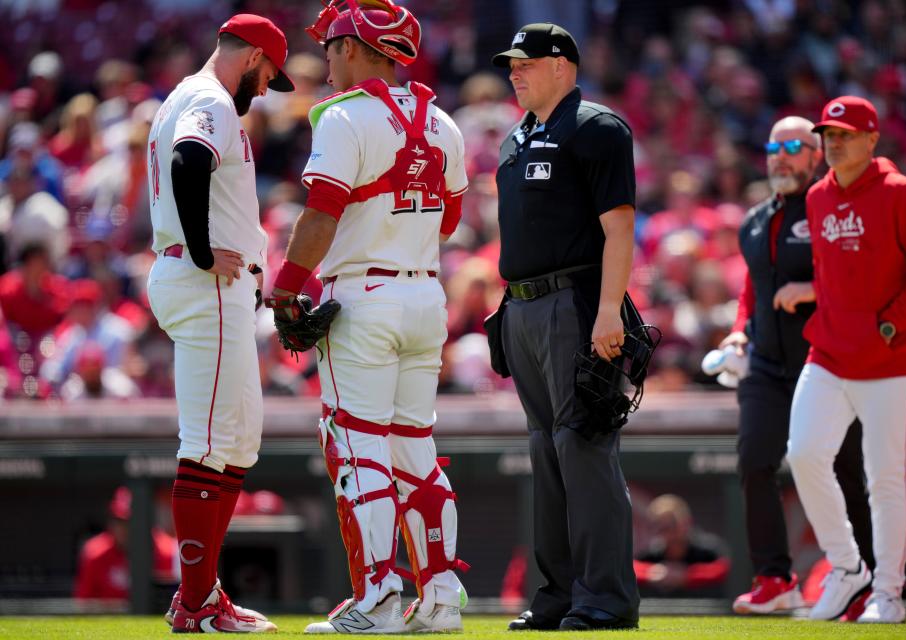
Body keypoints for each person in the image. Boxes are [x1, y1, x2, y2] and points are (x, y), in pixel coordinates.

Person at [266, 0, 469, 633]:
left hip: (363, 296)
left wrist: (285, 287)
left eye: (331, 44)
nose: (325, 56)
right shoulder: (443, 121)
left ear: (355, 47)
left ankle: (378, 597)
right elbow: (452, 220)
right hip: (425, 296)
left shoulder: (344, 119)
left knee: (356, 447)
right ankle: (440, 598)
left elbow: (321, 214)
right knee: (414, 449)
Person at [145, 12, 294, 634]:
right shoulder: (209, 96)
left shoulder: (191, 95)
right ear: (254, 54)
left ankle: (204, 595)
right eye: (268, 75)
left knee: (236, 442)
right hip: (204, 281)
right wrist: (205, 250)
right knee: (208, 442)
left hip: (213, 285)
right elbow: (188, 161)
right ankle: (197, 604)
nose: (266, 89)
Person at [785, 96, 906, 623]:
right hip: (830, 352)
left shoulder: (904, 194)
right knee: (805, 454)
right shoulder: (816, 196)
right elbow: (842, 275)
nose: (833, 143)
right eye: (827, 136)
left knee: (884, 477)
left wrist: (892, 321)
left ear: (871, 139)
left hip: (891, 359)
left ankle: (888, 594)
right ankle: (846, 568)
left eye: (844, 135)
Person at [491, 23, 639, 632]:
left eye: (526, 62)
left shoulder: (596, 127)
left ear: (562, 65)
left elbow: (620, 228)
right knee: (545, 455)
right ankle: (556, 597)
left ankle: (605, 599)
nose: (515, 72)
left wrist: (609, 310)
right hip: (523, 307)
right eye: (511, 64)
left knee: (583, 445)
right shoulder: (516, 137)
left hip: (575, 302)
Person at [720, 117, 875, 617]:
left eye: (793, 146)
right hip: (765, 364)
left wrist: (811, 290)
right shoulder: (755, 220)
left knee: (847, 468)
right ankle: (775, 578)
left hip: (827, 361)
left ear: (815, 156)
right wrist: (740, 327)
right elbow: (754, 287)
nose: (780, 156)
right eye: (773, 146)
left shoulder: (831, 210)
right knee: (754, 461)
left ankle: (864, 580)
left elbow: (860, 274)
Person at [74, 487, 178, 601]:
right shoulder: (94, 553)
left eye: (131, 522)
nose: (124, 529)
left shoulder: (167, 551)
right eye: (119, 522)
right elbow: (83, 605)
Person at [633, 494, 730, 594]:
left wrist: (687, 576)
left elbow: (727, 569)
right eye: (658, 527)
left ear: (686, 523)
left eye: (669, 526)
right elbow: (630, 570)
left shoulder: (709, 551)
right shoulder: (653, 554)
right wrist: (652, 573)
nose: (666, 534)